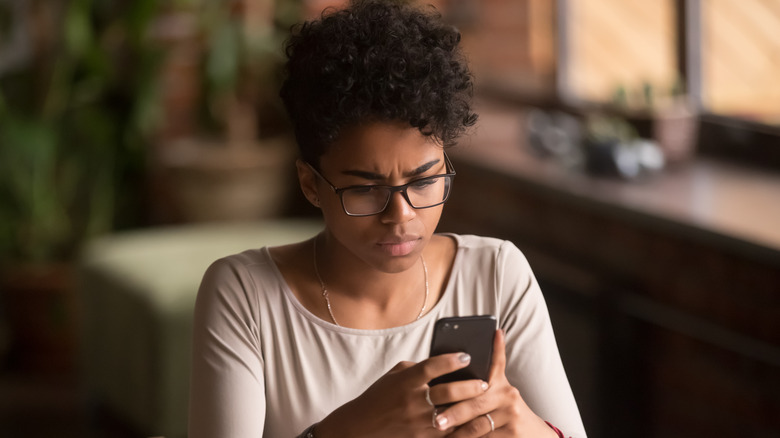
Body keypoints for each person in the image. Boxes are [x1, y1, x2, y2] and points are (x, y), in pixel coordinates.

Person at [188, 1, 587, 437]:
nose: (401, 215)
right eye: (364, 189)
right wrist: (348, 430)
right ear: (310, 184)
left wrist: (528, 428)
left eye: (423, 181)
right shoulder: (245, 296)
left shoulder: (495, 274)